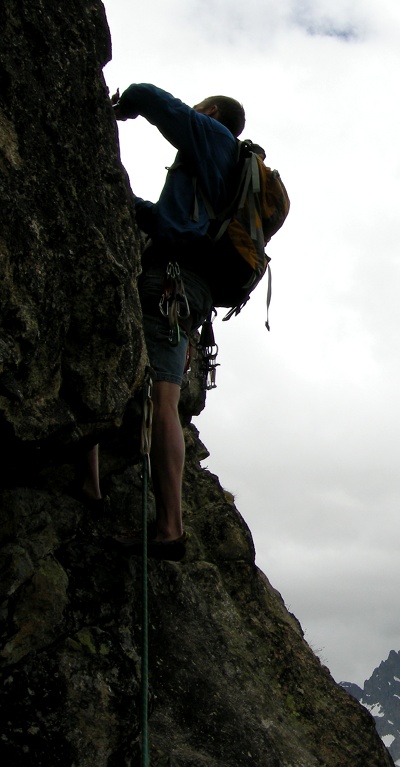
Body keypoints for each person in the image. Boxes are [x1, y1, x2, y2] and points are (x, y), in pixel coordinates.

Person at [89, 83, 245, 560]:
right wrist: (125, 197)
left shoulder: (213, 137)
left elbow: (159, 102)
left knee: (163, 396)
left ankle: (168, 529)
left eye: (201, 108)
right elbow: (169, 222)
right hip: (188, 290)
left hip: (171, 284)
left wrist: (126, 103)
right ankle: (93, 483)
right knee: (158, 390)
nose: (195, 112)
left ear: (212, 112)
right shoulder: (217, 173)